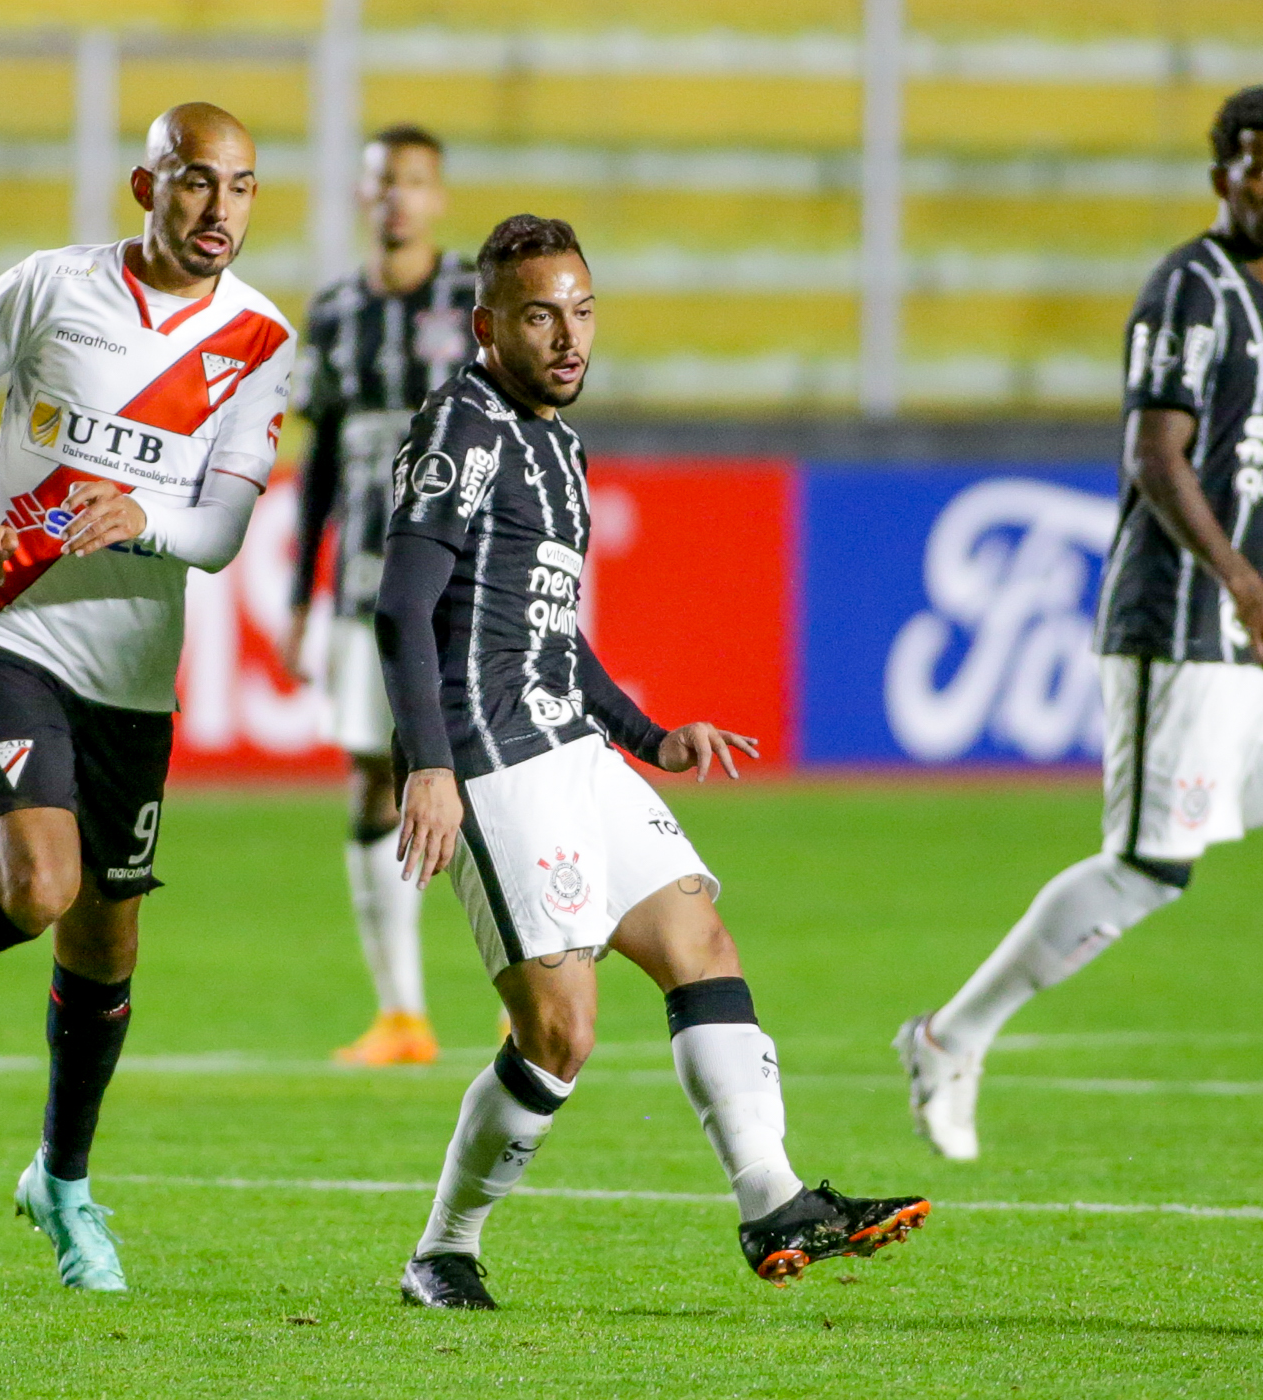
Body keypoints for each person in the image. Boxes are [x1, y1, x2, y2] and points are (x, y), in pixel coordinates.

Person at [374, 214, 929, 1310]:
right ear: (488, 326)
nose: (569, 337)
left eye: (582, 311)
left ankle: (771, 1198)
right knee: (560, 1033)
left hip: (571, 746)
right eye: (541, 316)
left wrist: (645, 735)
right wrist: (428, 766)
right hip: (490, 757)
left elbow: (549, 632)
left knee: (697, 937)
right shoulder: (465, 425)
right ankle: (443, 1249)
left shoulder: (557, 447)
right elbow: (401, 605)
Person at [896, 86, 1263, 1168]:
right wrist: (1241, 582)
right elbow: (1156, 456)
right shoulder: (1187, 288)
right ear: (1220, 179)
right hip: (1186, 618)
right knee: (1149, 867)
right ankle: (945, 1037)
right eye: (1256, 169)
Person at [0, 103, 296, 1291]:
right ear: (146, 183)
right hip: (7, 627)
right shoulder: (50, 287)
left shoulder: (262, 337)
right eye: (193, 181)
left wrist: (149, 520)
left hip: (133, 670)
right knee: (39, 881)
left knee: (105, 938)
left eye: (238, 186)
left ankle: (61, 1186)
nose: (217, 208)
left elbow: (224, 533)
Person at [281, 125, 479, 1066]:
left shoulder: (475, 300)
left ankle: (535, 990)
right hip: (365, 583)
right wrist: (295, 598)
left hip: (469, 579)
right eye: (381, 182)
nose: (396, 197)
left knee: (491, 776)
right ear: (363, 197)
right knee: (373, 774)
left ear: (437, 196)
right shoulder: (335, 312)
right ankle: (402, 1013)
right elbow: (317, 462)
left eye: (412, 181)